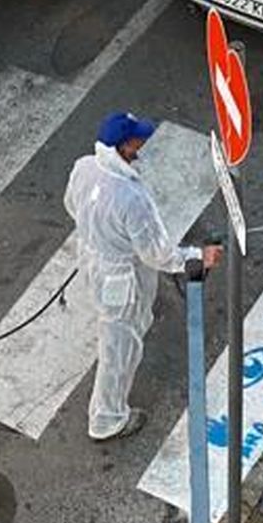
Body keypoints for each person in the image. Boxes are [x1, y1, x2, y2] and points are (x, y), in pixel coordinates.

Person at [64, 112, 222, 442]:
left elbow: (71, 206)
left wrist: (104, 234)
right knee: (119, 349)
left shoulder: (83, 167)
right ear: (124, 146)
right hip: (120, 278)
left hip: (93, 260)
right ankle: (106, 420)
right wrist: (198, 258)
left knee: (123, 326)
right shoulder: (130, 197)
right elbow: (157, 255)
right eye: (138, 139)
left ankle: (109, 406)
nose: (144, 143)